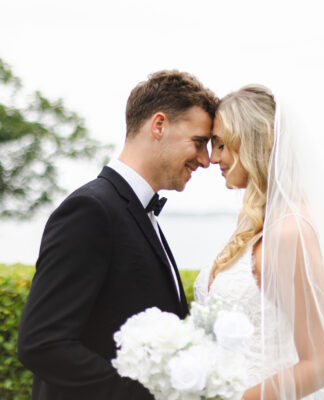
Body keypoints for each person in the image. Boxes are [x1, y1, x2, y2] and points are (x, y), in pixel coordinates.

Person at [18, 70, 219, 400]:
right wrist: (146, 394)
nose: (206, 159)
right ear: (159, 125)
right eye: (198, 143)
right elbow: (42, 343)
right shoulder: (90, 210)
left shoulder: (140, 211)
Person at [194, 85, 324, 399]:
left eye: (220, 145)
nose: (213, 158)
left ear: (254, 141)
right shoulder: (253, 221)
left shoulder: (291, 231)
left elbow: (320, 364)